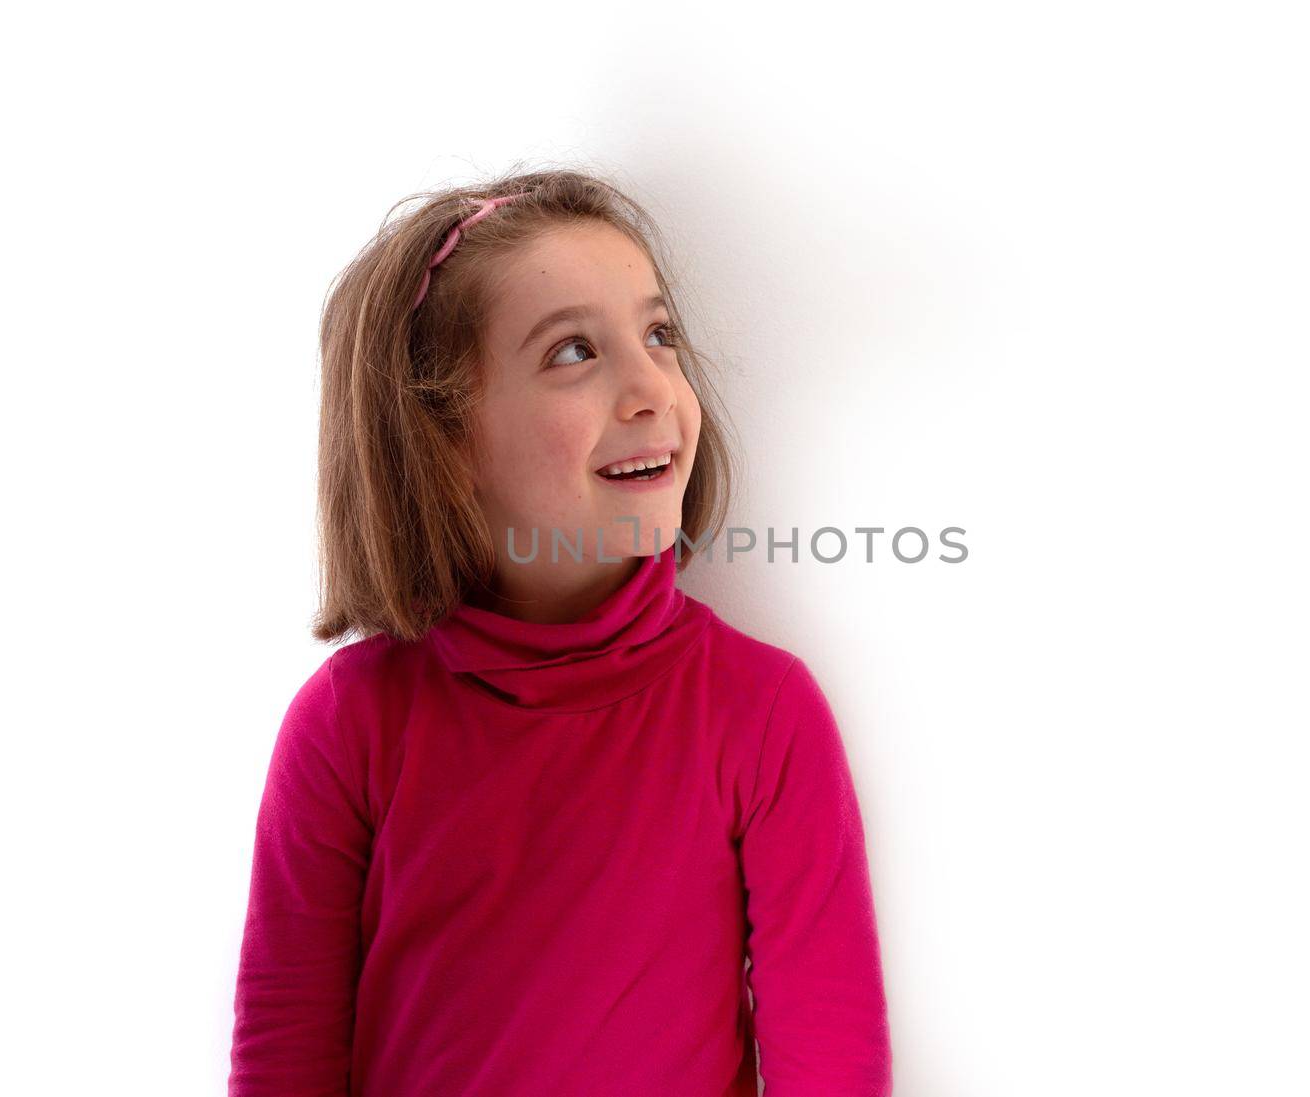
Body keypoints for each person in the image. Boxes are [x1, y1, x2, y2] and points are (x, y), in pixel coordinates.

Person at [228, 167, 892, 1095]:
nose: (652, 386)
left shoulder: (763, 712)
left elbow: (832, 1059)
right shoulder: (349, 726)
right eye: (573, 352)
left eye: (660, 335)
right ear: (445, 440)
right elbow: (284, 1049)